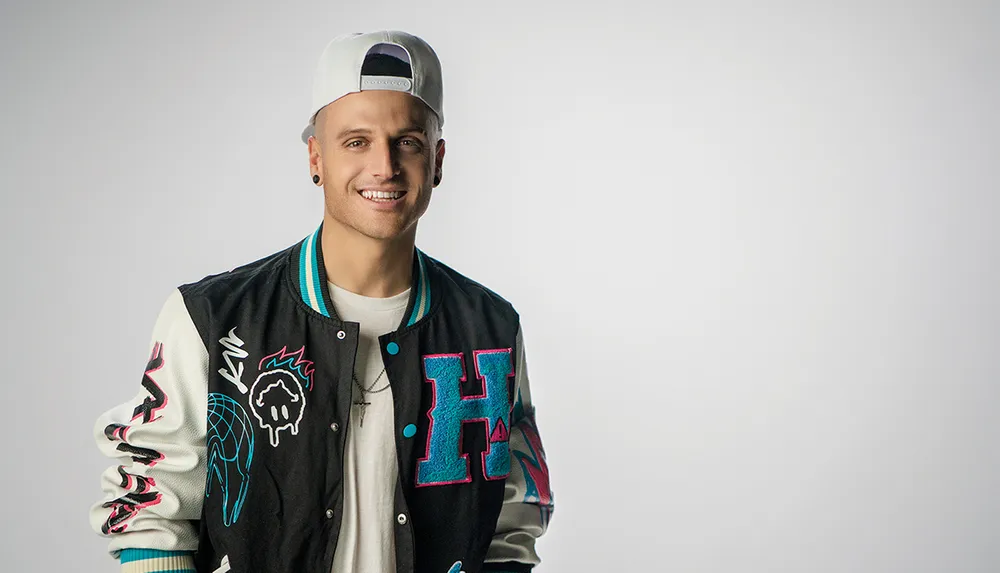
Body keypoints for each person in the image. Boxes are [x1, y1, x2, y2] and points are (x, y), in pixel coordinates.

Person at [89, 30, 554, 573]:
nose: (384, 166)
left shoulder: (490, 327)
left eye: (408, 141)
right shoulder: (214, 319)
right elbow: (151, 506)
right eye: (355, 141)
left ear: (438, 160)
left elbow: (513, 516)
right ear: (316, 157)